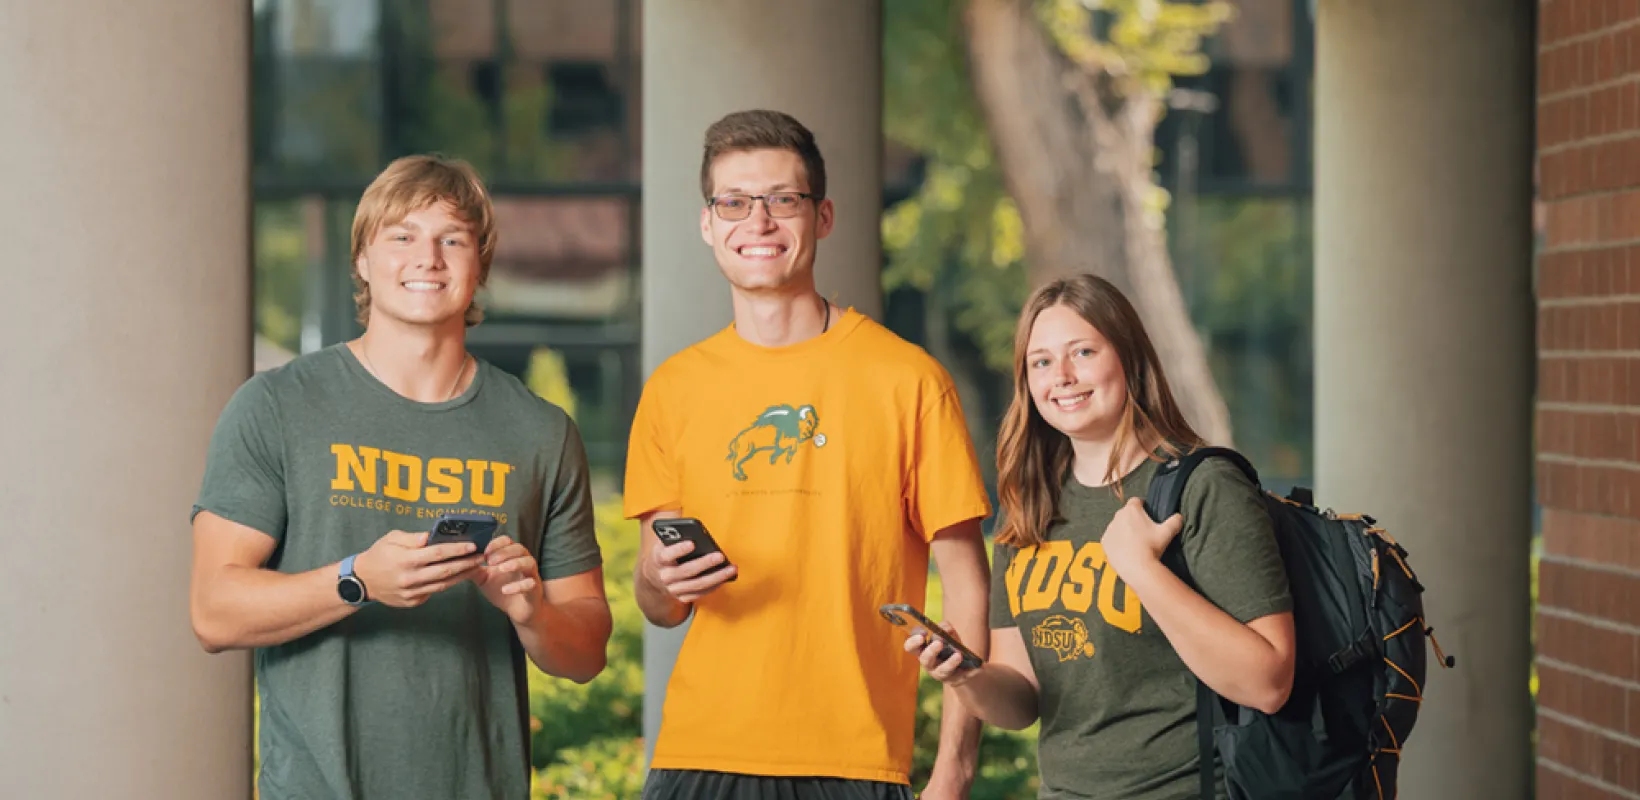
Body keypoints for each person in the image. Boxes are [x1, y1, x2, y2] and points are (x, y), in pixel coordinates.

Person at [189, 154, 612, 800]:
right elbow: (214, 611)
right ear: (362, 260)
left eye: (453, 239)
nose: (428, 258)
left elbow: (585, 653)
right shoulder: (276, 406)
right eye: (402, 236)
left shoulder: (541, 432)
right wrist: (359, 579)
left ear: (481, 265)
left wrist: (530, 614)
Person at [626, 109, 994, 800]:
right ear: (708, 224)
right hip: (698, 755)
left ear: (822, 217)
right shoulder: (674, 388)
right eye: (734, 202)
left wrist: (953, 774)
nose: (757, 222)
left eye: (782, 200)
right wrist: (657, 575)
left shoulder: (907, 379)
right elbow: (660, 605)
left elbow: (968, 590)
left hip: (855, 764)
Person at [905, 274, 1295, 800]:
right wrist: (963, 676)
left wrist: (1142, 570)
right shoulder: (1029, 506)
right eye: (1041, 361)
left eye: (1083, 352)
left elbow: (1268, 683)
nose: (1061, 376)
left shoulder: (1205, 488)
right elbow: (1021, 703)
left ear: (1129, 359)